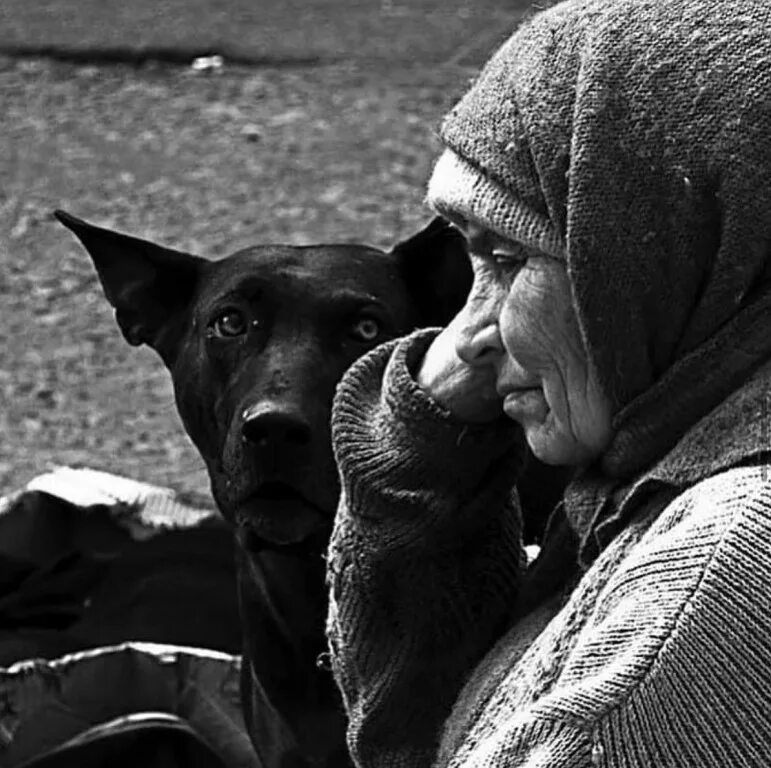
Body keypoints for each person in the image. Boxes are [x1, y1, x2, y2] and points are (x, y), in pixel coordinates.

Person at [324, 0, 771, 765]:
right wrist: (420, 456)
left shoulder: (719, 573)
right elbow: (421, 729)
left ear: (653, 255)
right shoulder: (670, 472)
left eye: (505, 259)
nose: (465, 340)